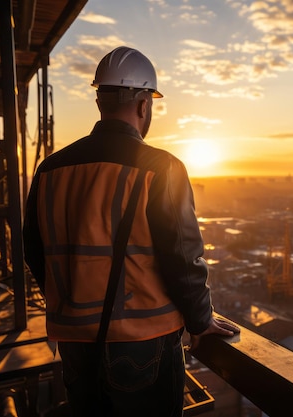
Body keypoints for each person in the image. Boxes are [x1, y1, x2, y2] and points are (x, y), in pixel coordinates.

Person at [23, 46, 239, 417]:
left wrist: (72, 302)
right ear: (143, 104)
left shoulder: (49, 170)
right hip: (144, 345)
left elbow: (34, 250)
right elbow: (183, 257)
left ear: (99, 101)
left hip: (75, 345)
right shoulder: (160, 168)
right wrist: (201, 320)